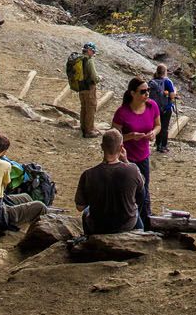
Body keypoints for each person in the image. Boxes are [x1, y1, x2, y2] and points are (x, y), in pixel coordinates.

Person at [111, 78, 161, 230]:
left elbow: (158, 125)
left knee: (144, 190)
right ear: (132, 93)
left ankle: (145, 222)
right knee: (126, 189)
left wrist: (153, 133)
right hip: (126, 156)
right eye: (143, 91)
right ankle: (127, 220)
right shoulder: (122, 112)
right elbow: (113, 136)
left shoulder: (152, 106)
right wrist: (131, 136)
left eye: (148, 91)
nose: (147, 94)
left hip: (143, 155)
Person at [75, 130, 146, 236]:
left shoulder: (88, 174)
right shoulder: (132, 169)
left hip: (98, 226)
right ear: (121, 147)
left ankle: (88, 239)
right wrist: (126, 161)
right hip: (126, 224)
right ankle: (140, 234)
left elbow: (80, 207)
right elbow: (141, 188)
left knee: (86, 212)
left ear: (102, 146)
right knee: (139, 198)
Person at [67, 43, 100, 137]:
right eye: (93, 51)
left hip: (80, 87)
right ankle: (89, 131)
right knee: (91, 108)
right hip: (89, 88)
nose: (93, 53)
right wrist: (100, 78)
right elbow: (94, 77)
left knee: (83, 107)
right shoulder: (89, 61)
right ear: (89, 50)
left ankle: (83, 127)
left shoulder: (78, 59)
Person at [147, 65, 177, 154]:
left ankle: (157, 143)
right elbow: (172, 96)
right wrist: (175, 91)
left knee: (157, 125)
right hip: (166, 108)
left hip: (154, 108)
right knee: (164, 127)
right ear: (165, 71)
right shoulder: (167, 81)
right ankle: (163, 146)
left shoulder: (152, 81)